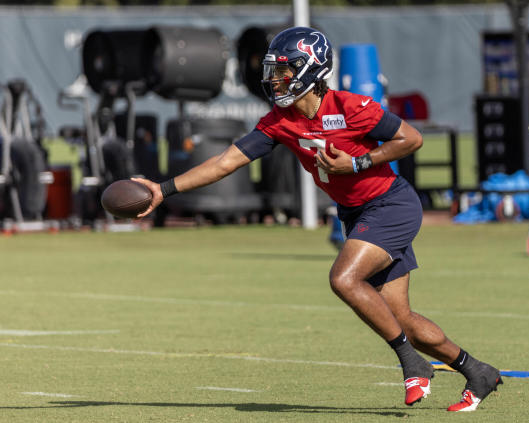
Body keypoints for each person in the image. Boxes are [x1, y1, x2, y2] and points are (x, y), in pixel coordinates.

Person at [134, 26, 502, 412]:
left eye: (284, 71)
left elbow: (411, 139)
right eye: (273, 72)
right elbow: (226, 162)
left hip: (391, 205)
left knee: (344, 279)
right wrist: (163, 190)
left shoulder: (350, 107)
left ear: (311, 70)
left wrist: (358, 161)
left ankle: (412, 364)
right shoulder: (280, 120)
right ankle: (477, 371)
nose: (276, 80)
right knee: (402, 319)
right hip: (357, 213)